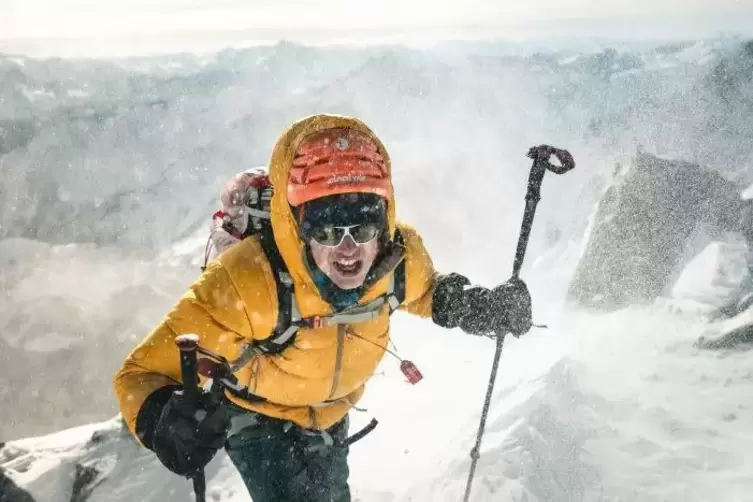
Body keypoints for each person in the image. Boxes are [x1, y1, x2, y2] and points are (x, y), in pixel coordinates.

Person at [113, 113, 533, 502]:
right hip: (256, 414)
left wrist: (480, 307)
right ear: (298, 227)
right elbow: (141, 374)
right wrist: (161, 423)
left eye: (365, 227)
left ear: (384, 223)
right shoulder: (247, 281)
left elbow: (426, 292)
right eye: (327, 230)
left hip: (332, 413)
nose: (348, 249)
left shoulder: (398, 258)